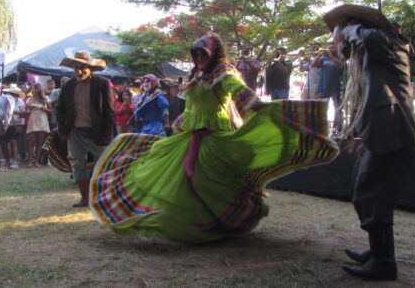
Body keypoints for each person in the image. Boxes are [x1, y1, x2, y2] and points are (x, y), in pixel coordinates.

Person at [88, 35, 338, 243]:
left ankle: (222, 223)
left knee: (212, 182)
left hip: (215, 138)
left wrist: (260, 108)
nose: (197, 58)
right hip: (190, 137)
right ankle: (191, 224)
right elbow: (189, 110)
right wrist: (178, 125)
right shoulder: (196, 76)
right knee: (175, 178)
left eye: (202, 53)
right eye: (194, 53)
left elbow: (242, 94)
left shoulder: (224, 73)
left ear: (213, 53)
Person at [323, 5, 415, 280]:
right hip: (381, 132)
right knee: (364, 193)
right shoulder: (371, 54)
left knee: (372, 196)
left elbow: (370, 38)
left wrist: (348, 30)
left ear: (357, 25)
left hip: (393, 133)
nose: (337, 41)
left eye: (340, 33)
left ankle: (384, 262)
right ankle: (377, 252)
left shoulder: (390, 42)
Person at [56, 51, 115, 207]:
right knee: (77, 164)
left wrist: (107, 134)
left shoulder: (102, 83)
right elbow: (60, 108)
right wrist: (63, 130)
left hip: (97, 132)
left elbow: (109, 111)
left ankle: (103, 198)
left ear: (90, 68)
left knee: (103, 165)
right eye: (76, 67)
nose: (79, 71)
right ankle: (85, 198)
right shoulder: (68, 85)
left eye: (82, 67)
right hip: (75, 132)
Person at [312, 43, 345, 134]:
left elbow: (339, 65)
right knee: (321, 108)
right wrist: (319, 54)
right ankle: (320, 128)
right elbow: (313, 65)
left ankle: (339, 129)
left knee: (337, 108)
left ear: (337, 49)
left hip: (335, 87)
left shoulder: (339, 57)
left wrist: (330, 56)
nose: (331, 49)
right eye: (329, 48)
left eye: (333, 47)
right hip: (323, 87)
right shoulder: (323, 59)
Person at [26, 83, 50, 167]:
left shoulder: (46, 99)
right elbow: (27, 110)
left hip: (42, 119)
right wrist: (31, 107)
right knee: (32, 141)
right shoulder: (30, 99)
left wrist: (44, 108)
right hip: (33, 119)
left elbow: (50, 110)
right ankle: (29, 161)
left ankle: (36, 161)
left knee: (40, 142)